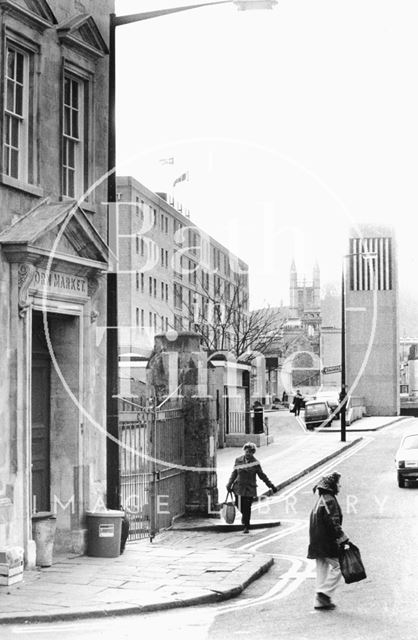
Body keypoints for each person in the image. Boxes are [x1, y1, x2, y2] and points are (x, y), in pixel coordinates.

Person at [307, 471, 349, 610]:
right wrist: (342, 538)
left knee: (322, 571)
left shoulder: (321, 500)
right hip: (326, 541)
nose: (339, 486)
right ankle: (324, 594)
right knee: (339, 566)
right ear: (332, 485)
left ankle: (319, 602)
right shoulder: (329, 500)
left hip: (316, 541)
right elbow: (333, 521)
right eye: (337, 483)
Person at [226, 442, 277, 533]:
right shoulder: (238, 460)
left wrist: (271, 486)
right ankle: (245, 517)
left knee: (247, 507)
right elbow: (234, 473)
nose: (247, 453)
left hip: (249, 489)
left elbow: (262, 476)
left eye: (249, 452)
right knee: (238, 504)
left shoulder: (256, 463)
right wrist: (229, 484)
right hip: (238, 488)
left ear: (253, 453)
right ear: (244, 451)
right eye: (246, 451)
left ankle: (246, 526)